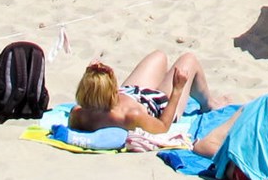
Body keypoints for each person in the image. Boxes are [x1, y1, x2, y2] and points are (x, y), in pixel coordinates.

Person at [69, 51, 216, 134]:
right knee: (189, 59)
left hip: (130, 93)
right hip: (159, 103)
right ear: (111, 91)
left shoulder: (78, 113)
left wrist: (93, 74)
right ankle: (208, 103)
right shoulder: (131, 116)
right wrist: (177, 89)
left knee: (160, 56)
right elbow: (163, 127)